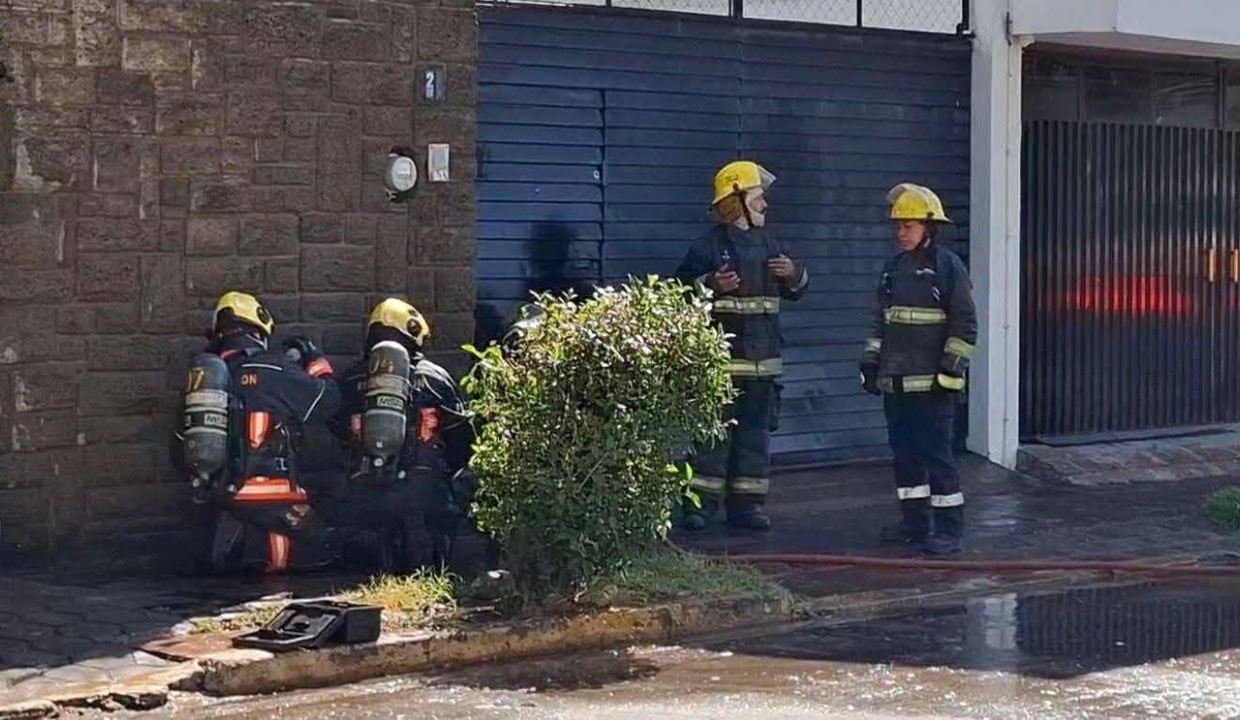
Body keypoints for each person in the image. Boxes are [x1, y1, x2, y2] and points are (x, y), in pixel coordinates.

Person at [675, 160, 809, 532]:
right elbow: (677, 293)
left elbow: (798, 291)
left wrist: (795, 275)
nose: (765, 204)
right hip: (721, 366)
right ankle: (699, 506)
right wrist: (710, 284)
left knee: (754, 438)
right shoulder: (707, 247)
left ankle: (747, 508)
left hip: (763, 365)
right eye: (757, 197)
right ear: (736, 202)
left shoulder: (773, 243)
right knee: (711, 439)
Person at [178, 291, 340, 574]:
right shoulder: (275, 368)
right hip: (274, 499)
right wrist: (315, 361)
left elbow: (177, 448)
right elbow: (329, 401)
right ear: (260, 327)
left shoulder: (204, 382)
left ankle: (236, 544)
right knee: (326, 549)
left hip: (218, 502)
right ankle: (266, 555)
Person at [860, 183, 978, 556]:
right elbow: (881, 321)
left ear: (929, 227)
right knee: (904, 456)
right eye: (897, 226)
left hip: (933, 387)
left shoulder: (947, 267)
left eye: (908, 226)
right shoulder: (892, 269)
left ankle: (949, 530)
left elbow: (965, 323)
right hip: (896, 384)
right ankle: (914, 522)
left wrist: (951, 369)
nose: (901, 233)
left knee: (937, 457)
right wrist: (870, 362)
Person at [327, 298, 475, 571]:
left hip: (364, 486)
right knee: (442, 526)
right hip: (425, 486)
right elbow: (462, 437)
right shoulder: (435, 377)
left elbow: (333, 432)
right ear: (412, 332)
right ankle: (436, 572)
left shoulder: (349, 379)